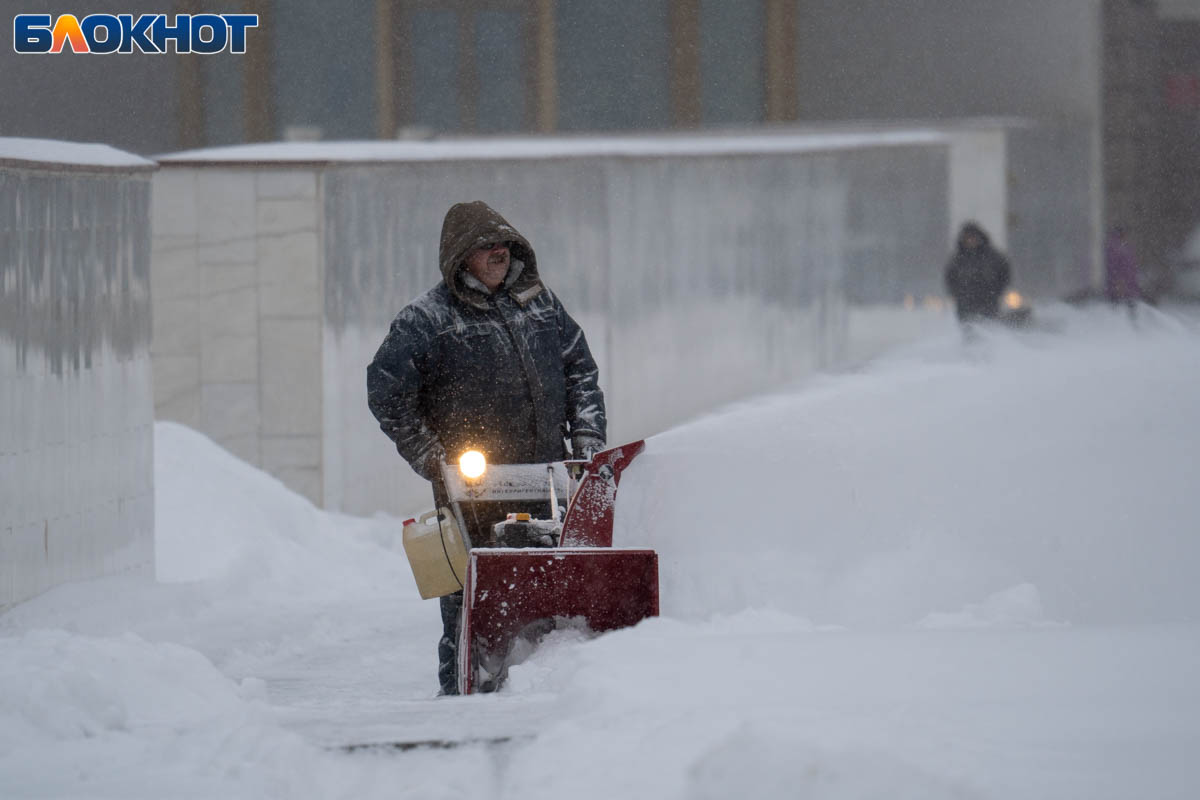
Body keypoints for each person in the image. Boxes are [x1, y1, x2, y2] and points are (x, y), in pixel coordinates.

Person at [366, 200, 606, 695]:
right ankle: (462, 691)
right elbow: (386, 393)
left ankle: (548, 683)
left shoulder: (540, 306)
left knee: (551, 588)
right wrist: (433, 458)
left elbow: (580, 369)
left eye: (505, 244)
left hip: (549, 483)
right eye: (485, 246)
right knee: (469, 599)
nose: (499, 252)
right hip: (472, 491)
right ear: (460, 257)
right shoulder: (426, 321)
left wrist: (586, 437)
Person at [943, 221, 1012, 324]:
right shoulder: (958, 259)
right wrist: (959, 295)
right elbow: (950, 279)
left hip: (989, 302)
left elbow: (1005, 274)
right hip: (965, 304)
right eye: (967, 238)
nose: (971, 241)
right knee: (969, 330)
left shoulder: (993, 257)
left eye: (973, 237)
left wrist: (996, 291)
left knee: (990, 329)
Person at [1104, 225, 1143, 311]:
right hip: (1122, 286)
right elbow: (1116, 267)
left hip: (1125, 286)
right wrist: (1119, 282)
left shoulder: (1121, 246)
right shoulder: (1119, 247)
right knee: (1118, 310)